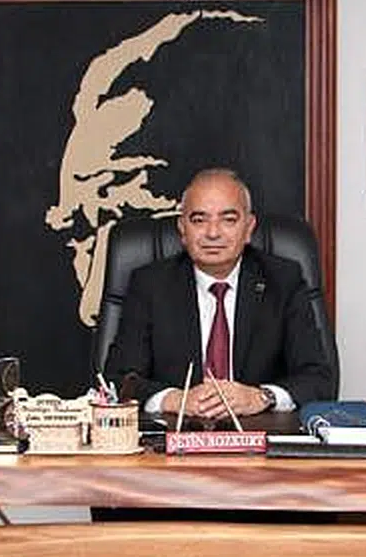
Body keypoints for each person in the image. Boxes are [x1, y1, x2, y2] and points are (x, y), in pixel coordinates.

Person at [103, 168, 335, 420]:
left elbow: (319, 379)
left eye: (228, 220)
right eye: (199, 220)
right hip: (175, 434)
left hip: (260, 433)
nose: (213, 233)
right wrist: (175, 399)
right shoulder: (149, 284)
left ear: (249, 228)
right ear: (182, 229)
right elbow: (117, 380)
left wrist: (261, 397)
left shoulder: (283, 281)